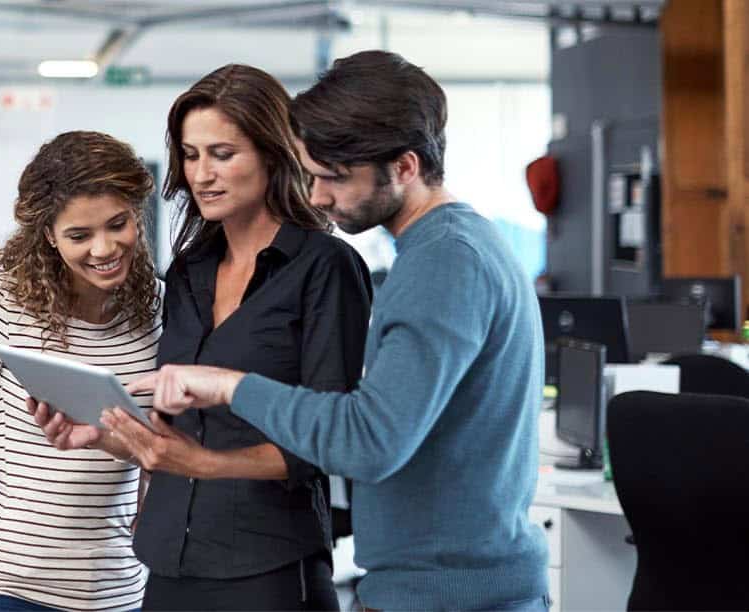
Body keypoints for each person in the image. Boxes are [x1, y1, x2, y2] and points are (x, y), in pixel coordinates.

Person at [107, 50, 551, 611]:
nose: (317, 196)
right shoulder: (443, 251)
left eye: (334, 178)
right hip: (422, 588)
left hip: (447, 595)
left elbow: (367, 440)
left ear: (405, 167)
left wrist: (229, 387)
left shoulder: (445, 261)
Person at [33, 64, 371, 611]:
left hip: (268, 566)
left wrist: (205, 465)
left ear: (272, 154)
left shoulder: (325, 268)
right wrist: (100, 436)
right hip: (170, 560)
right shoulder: (190, 270)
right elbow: (173, 440)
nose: (202, 174)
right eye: (191, 155)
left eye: (222, 154)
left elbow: (329, 440)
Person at [0, 130, 162, 612]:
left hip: (124, 590)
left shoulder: (162, 309)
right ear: (49, 237)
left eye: (117, 224)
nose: (104, 248)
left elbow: (165, 451)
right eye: (79, 236)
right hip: (16, 588)